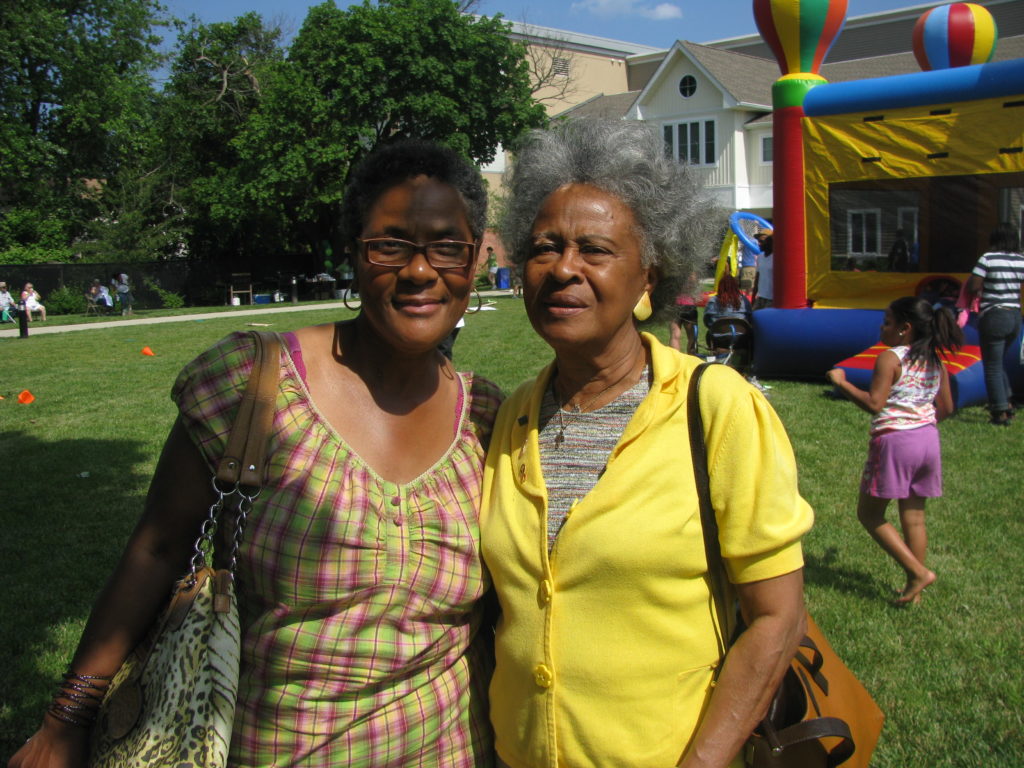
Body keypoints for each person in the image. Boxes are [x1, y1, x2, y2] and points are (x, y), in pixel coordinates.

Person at [10, 139, 501, 768]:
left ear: (474, 258)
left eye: (446, 245)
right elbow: (156, 549)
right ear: (353, 254)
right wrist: (66, 719)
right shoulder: (255, 384)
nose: (419, 270)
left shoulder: (487, 419)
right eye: (390, 244)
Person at [482, 119, 813, 768]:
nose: (563, 269)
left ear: (648, 278)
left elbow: (779, 618)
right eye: (544, 247)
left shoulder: (715, 407)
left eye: (595, 249)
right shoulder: (510, 414)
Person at [827, 297, 962, 604]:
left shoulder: (891, 358)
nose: (881, 327)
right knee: (914, 518)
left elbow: (874, 404)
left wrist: (841, 383)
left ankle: (917, 573)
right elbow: (948, 407)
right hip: (928, 440)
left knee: (870, 514)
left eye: (887, 322)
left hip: (895, 443)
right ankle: (914, 590)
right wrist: (920, 425)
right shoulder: (934, 361)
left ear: (905, 328)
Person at [965, 223, 1024, 426]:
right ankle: (1007, 404)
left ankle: (999, 412)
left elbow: (974, 285)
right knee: (998, 364)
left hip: (994, 315)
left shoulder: (987, 258)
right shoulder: (1020, 260)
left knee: (991, 366)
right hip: (1015, 317)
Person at [669, 271, 699, 355]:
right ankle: (692, 360)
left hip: (675, 305)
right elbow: (694, 284)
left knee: (675, 336)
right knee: (692, 338)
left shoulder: (674, 271)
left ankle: (674, 360)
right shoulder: (691, 271)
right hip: (689, 305)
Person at [752, 233, 774, 309]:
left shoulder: (776, 257)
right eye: (758, 241)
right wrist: (753, 297)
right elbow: (757, 278)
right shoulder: (760, 257)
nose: (758, 244)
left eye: (761, 241)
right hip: (760, 296)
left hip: (772, 299)